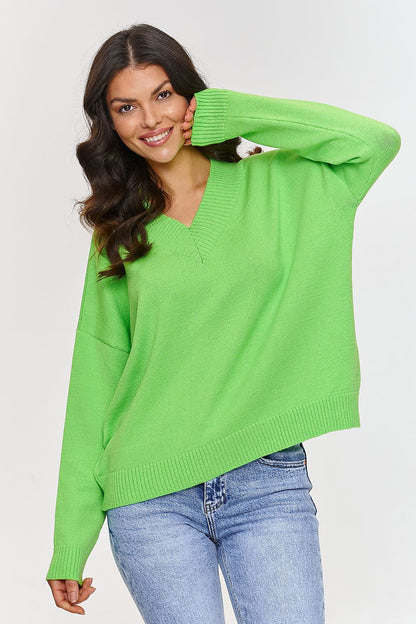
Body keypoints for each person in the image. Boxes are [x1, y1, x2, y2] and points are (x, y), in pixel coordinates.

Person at [45, 22, 401, 623]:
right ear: (110, 123)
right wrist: (69, 539)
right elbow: (95, 382)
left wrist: (233, 114)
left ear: (191, 97)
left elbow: (374, 142)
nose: (149, 119)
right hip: (149, 496)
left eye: (163, 95)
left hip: (267, 482)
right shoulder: (120, 233)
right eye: (126, 107)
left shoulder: (287, 183)